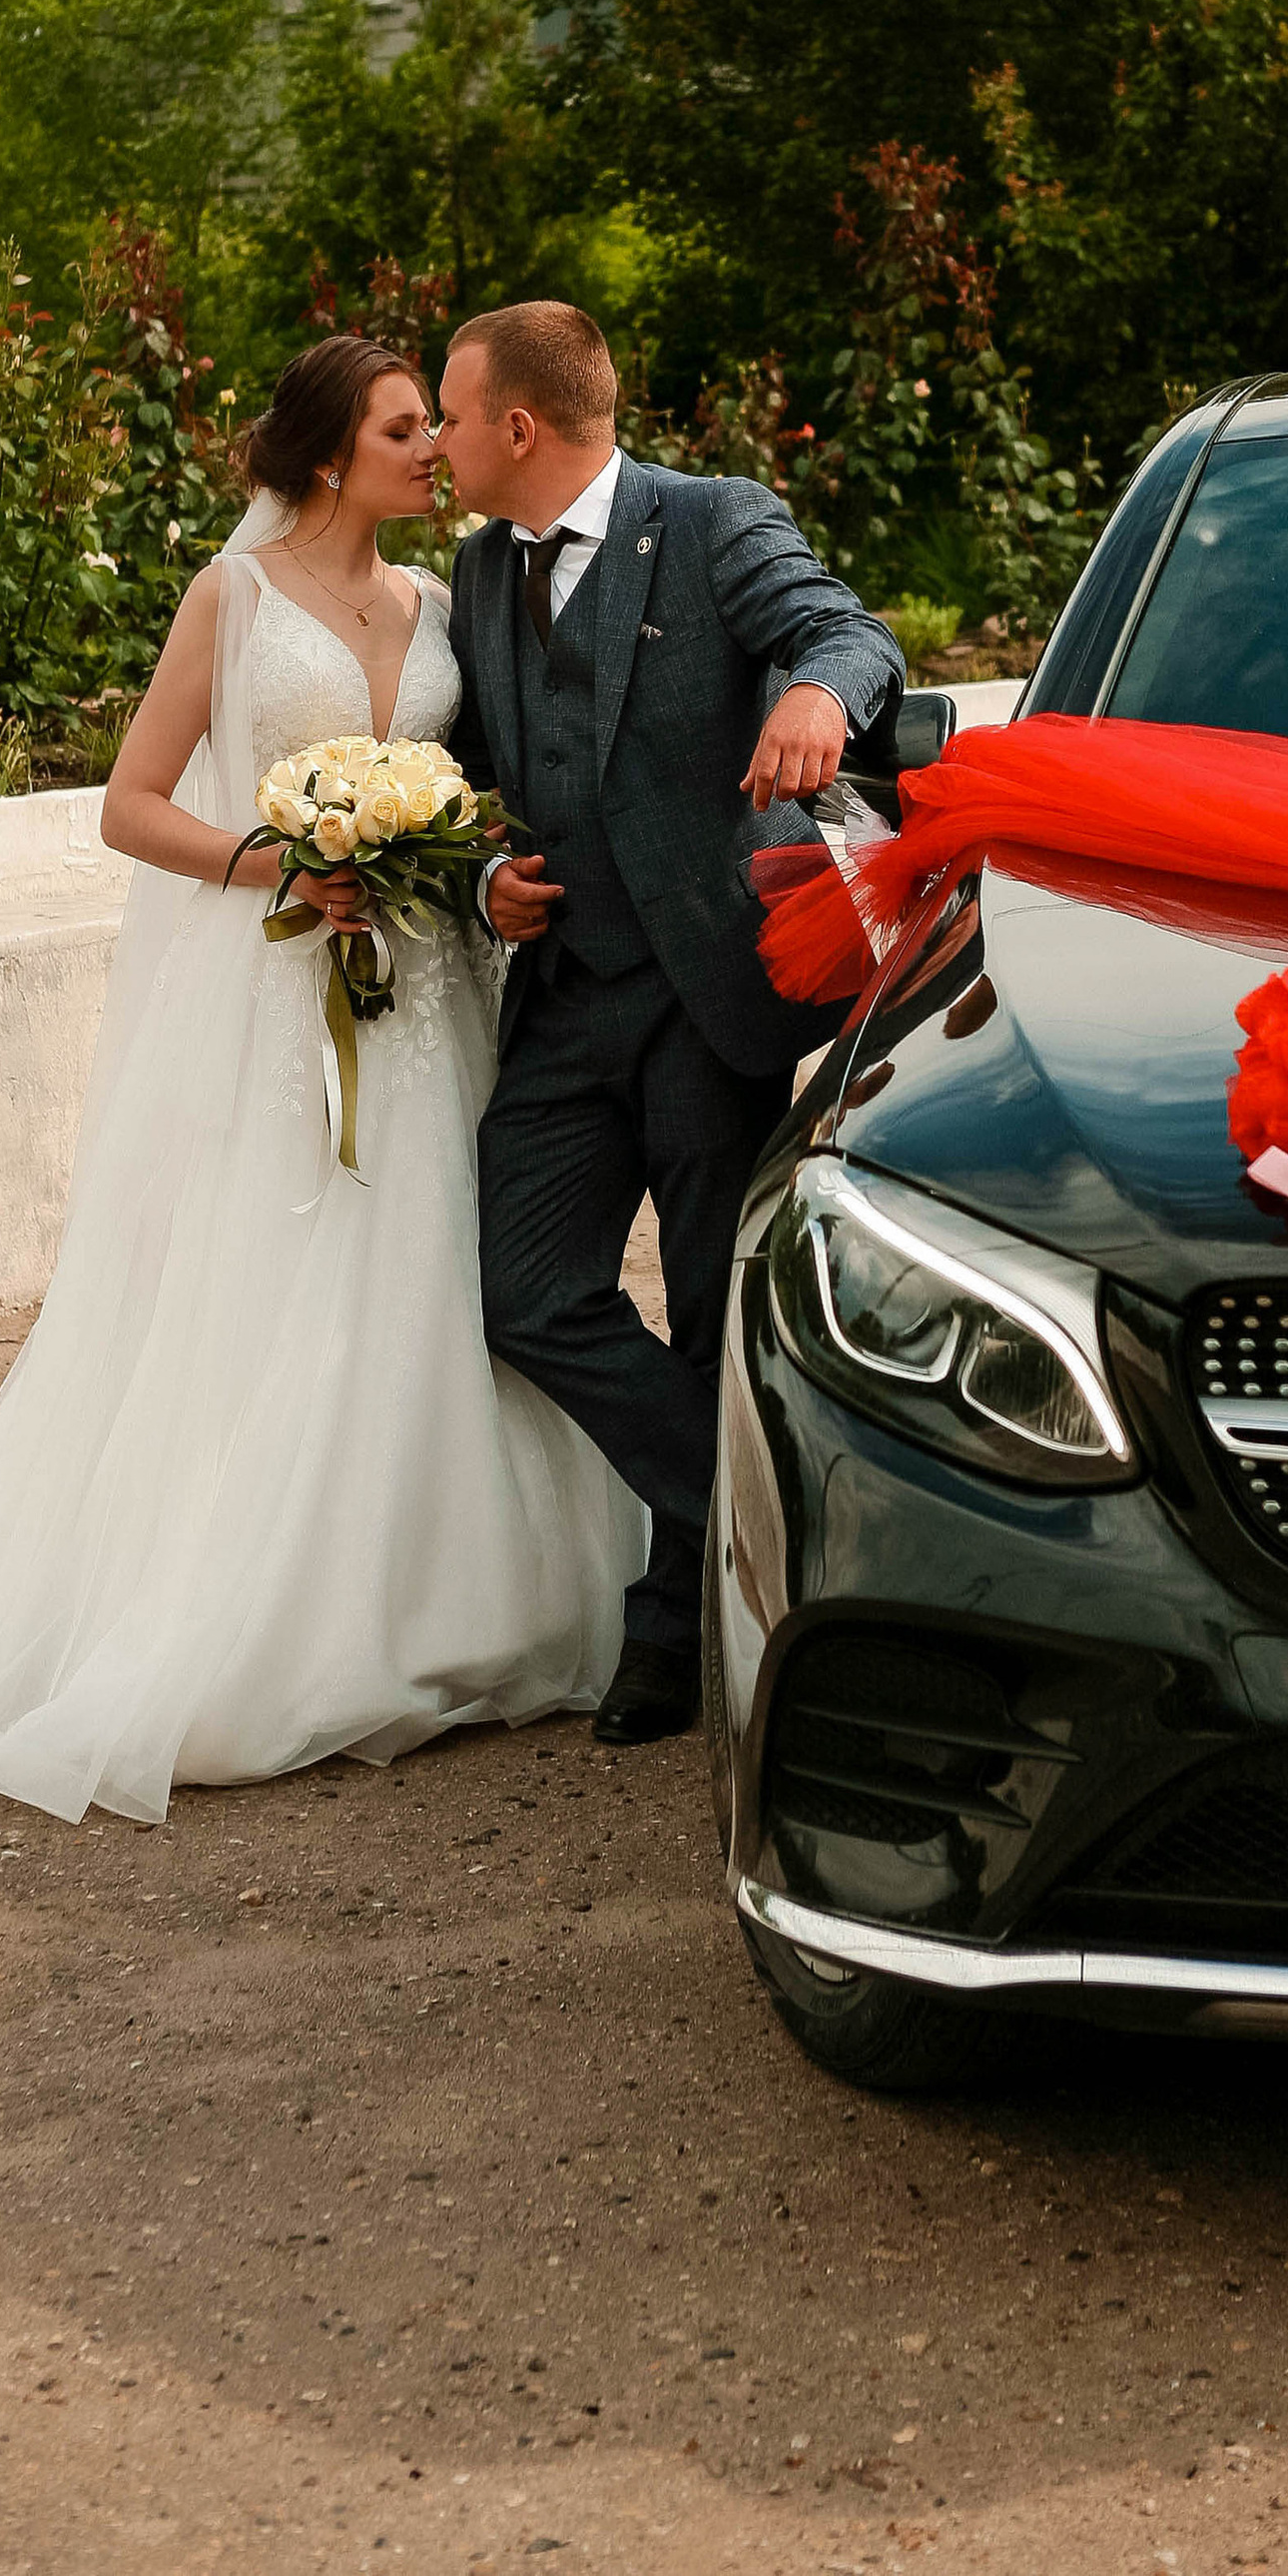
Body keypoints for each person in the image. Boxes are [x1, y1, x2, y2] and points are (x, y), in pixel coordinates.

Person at [0, 337, 642, 1822]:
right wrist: (270, 860)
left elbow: (473, 795)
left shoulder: (441, 596)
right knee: (282, 1279)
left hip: (432, 1004)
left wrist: (458, 872)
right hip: (281, 995)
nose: (435, 448)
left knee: (435, 1278)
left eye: (437, 426)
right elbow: (130, 806)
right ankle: (269, 1617)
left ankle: (460, 1603)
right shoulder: (235, 596)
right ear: (333, 452)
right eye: (408, 428)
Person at [436, 302, 902, 1746]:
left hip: (711, 999)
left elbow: (843, 628)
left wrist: (821, 689)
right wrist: (481, 878)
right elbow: (459, 775)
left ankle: (664, 1638)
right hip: (567, 998)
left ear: (519, 424)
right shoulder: (473, 571)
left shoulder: (706, 521)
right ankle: (755, 1521)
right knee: (525, 1294)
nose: (441, 442)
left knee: (711, 1314)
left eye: (451, 415)